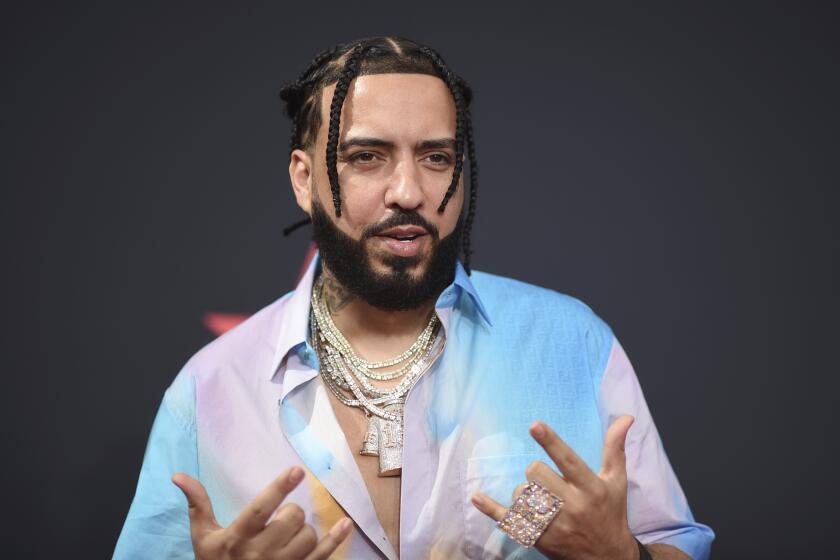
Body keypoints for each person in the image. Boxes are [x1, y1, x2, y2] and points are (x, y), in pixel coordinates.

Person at [114, 36, 714, 559]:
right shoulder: (212, 389)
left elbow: (673, 541)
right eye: (366, 157)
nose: (408, 191)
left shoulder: (572, 344)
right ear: (304, 180)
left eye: (436, 158)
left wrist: (621, 557)